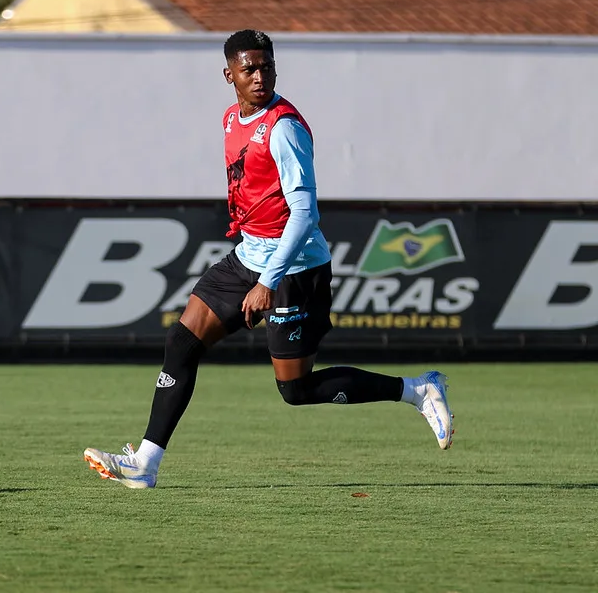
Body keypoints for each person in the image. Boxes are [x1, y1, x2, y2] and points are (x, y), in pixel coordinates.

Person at [84, 29, 454, 489]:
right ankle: (145, 463)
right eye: (249, 69)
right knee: (182, 342)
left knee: (295, 390)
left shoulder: (284, 128)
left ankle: (416, 390)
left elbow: (305, 213)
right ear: (229, 75)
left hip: (294, 266)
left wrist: (267, 281)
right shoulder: (229, 119)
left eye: (267, 66)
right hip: (249, 256)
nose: (260, 76)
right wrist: (254, 267)